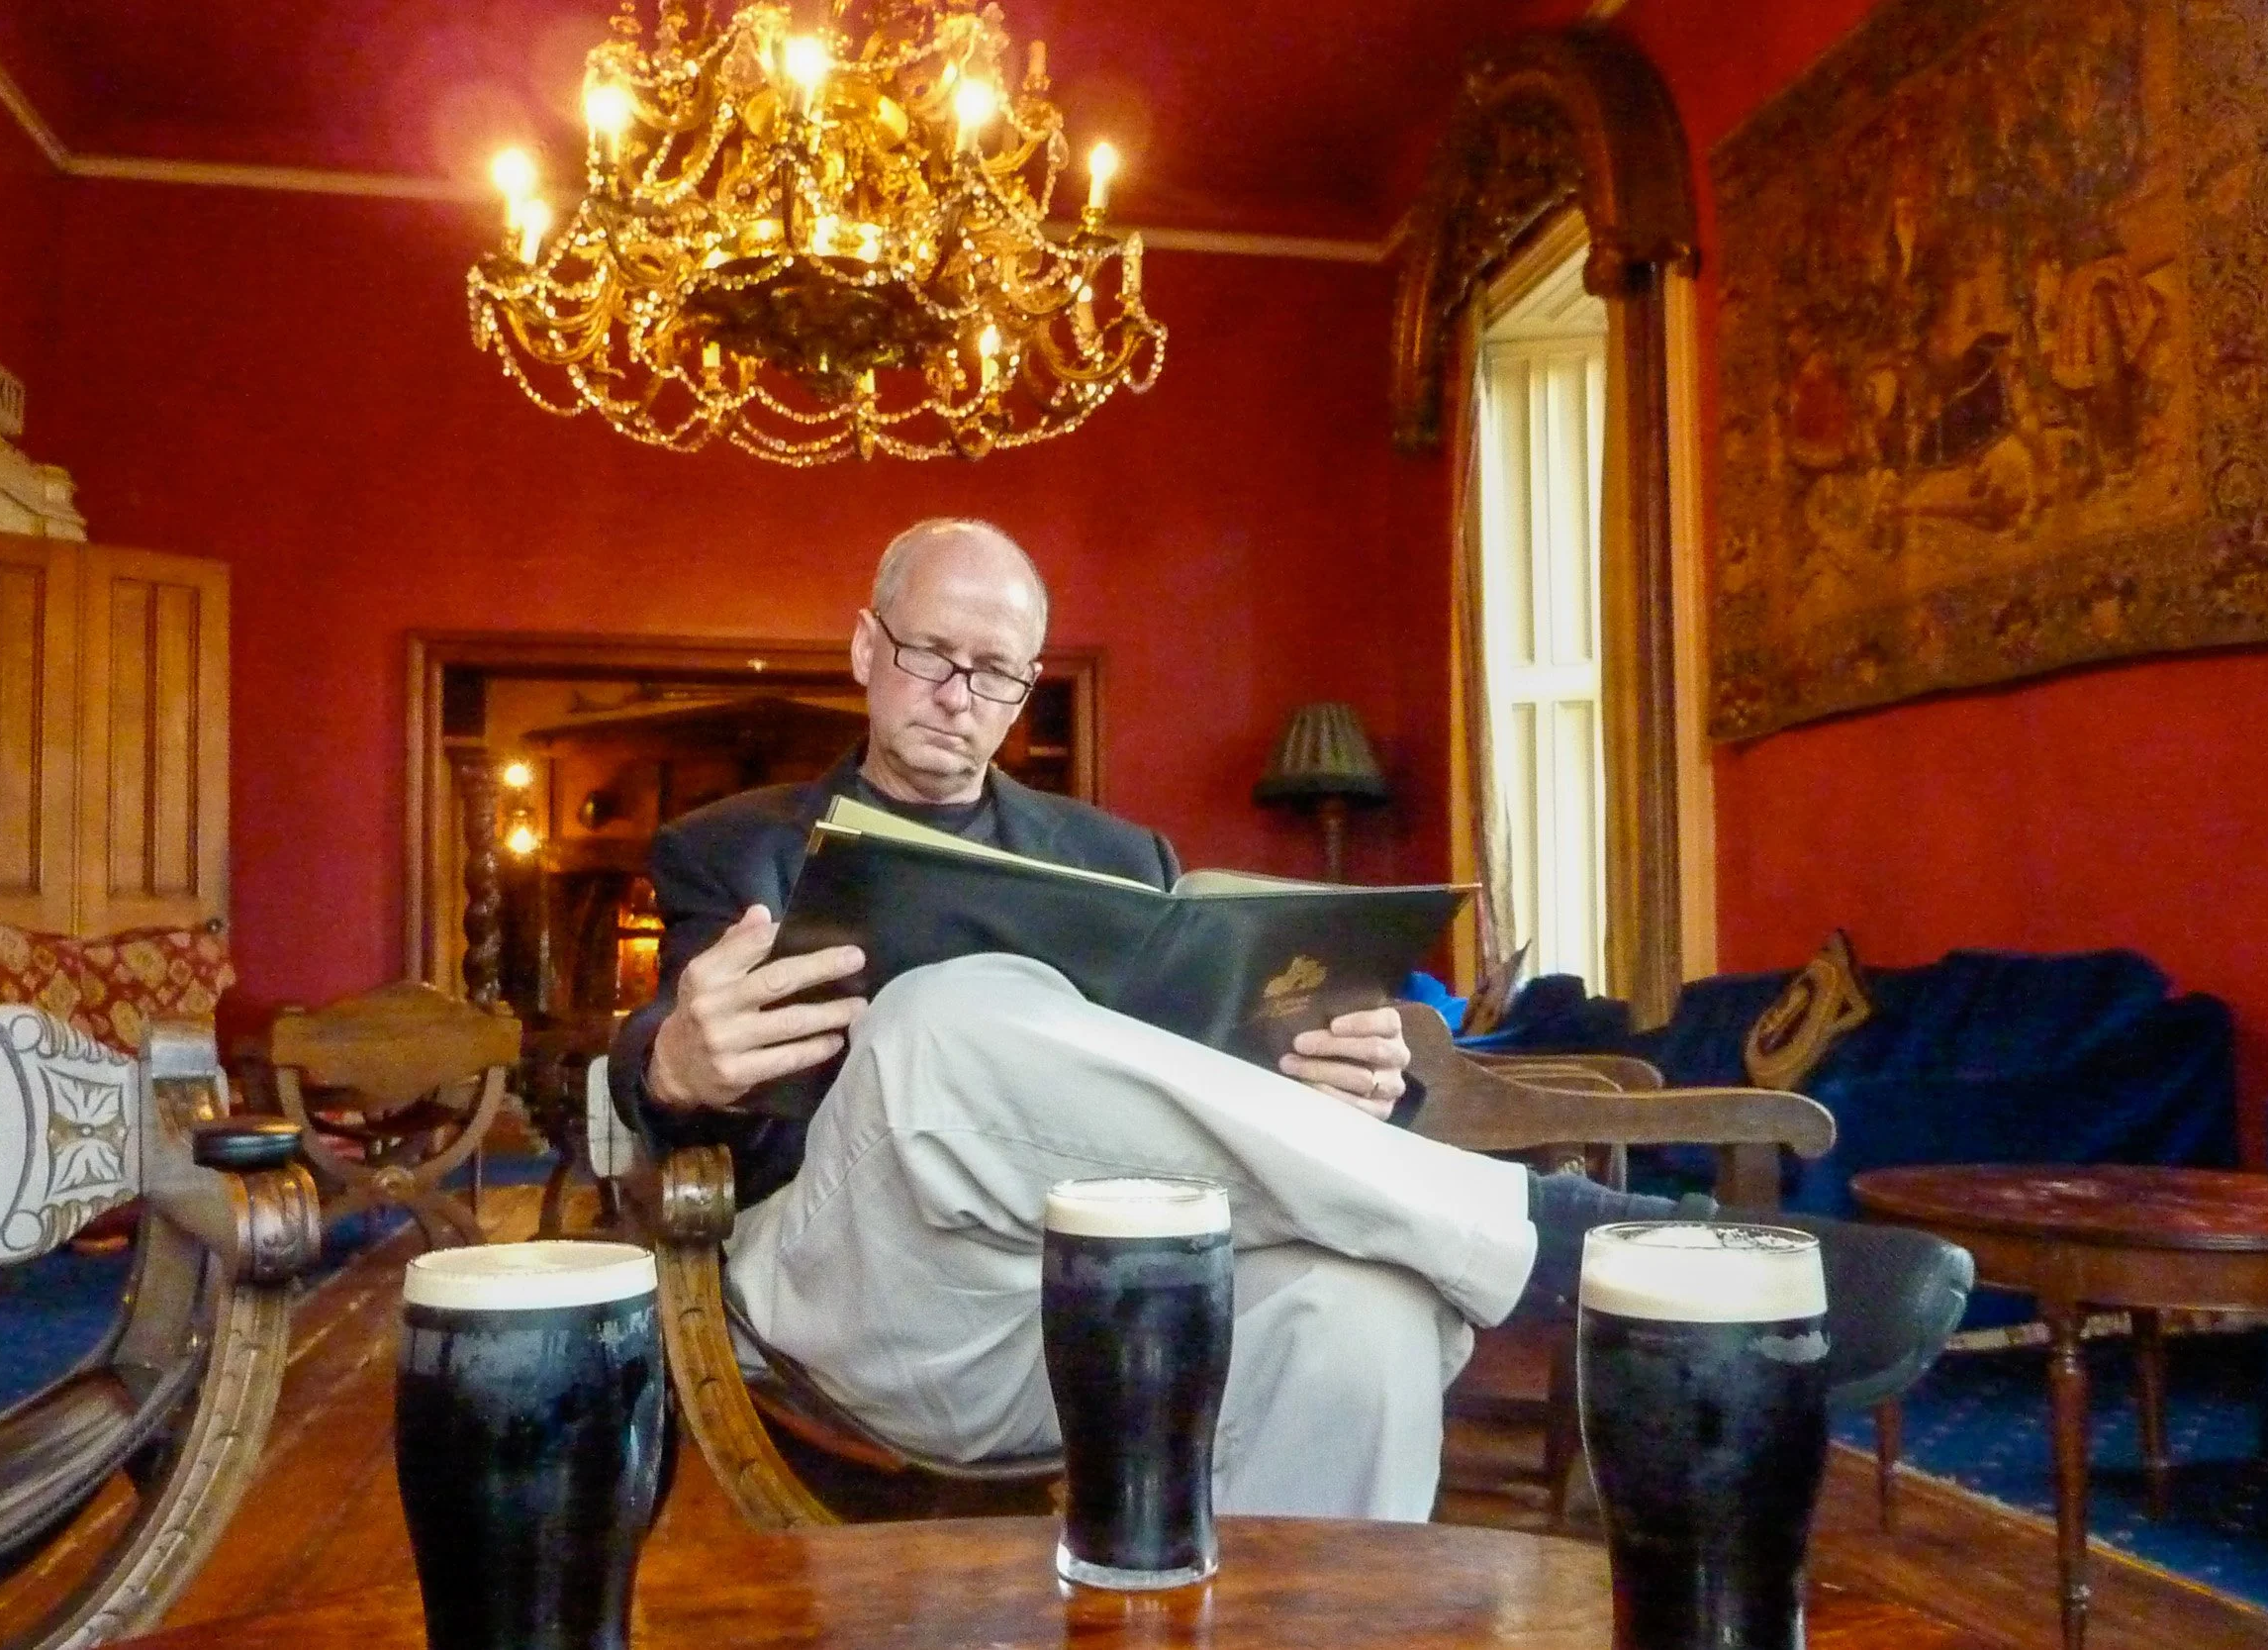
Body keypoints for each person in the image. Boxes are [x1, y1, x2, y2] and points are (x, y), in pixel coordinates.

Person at [610, 520, 1700, 1517]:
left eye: (993, 671)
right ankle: (1558, 1235)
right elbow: (658, 1052)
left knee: (1357, 1308)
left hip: (1093, 1291)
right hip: (859, 1279)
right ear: (864, 648)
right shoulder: (729, 845)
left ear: (1025, 687)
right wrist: (667, 1062)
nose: (955, 692)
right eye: (927, 652)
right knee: (943, 1013)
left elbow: (1195, 1068)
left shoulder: (1120, 857)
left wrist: (1338, 1076)